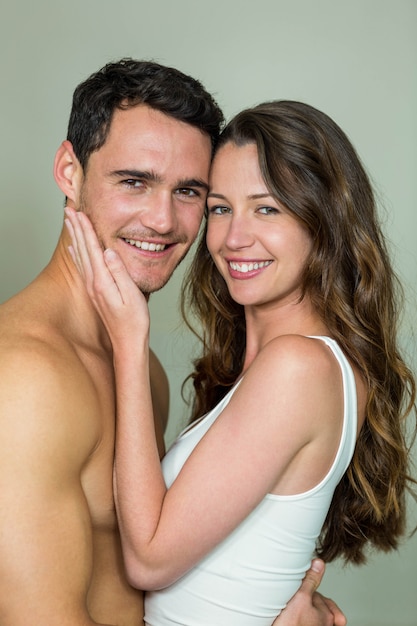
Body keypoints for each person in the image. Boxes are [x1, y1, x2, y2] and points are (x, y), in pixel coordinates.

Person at [0, 59, 344, 626]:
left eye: (189, 192)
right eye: (134, 181)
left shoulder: (143, 370)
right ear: (69, 170)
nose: (162, 221)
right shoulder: (26, 378)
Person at [65, 100, 417, 625]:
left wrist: (129, 342)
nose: (232, 238)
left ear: (323, 221)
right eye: (220, 208)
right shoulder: (276, 365)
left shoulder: (299, 368)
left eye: (267, 208)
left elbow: (148, 558)